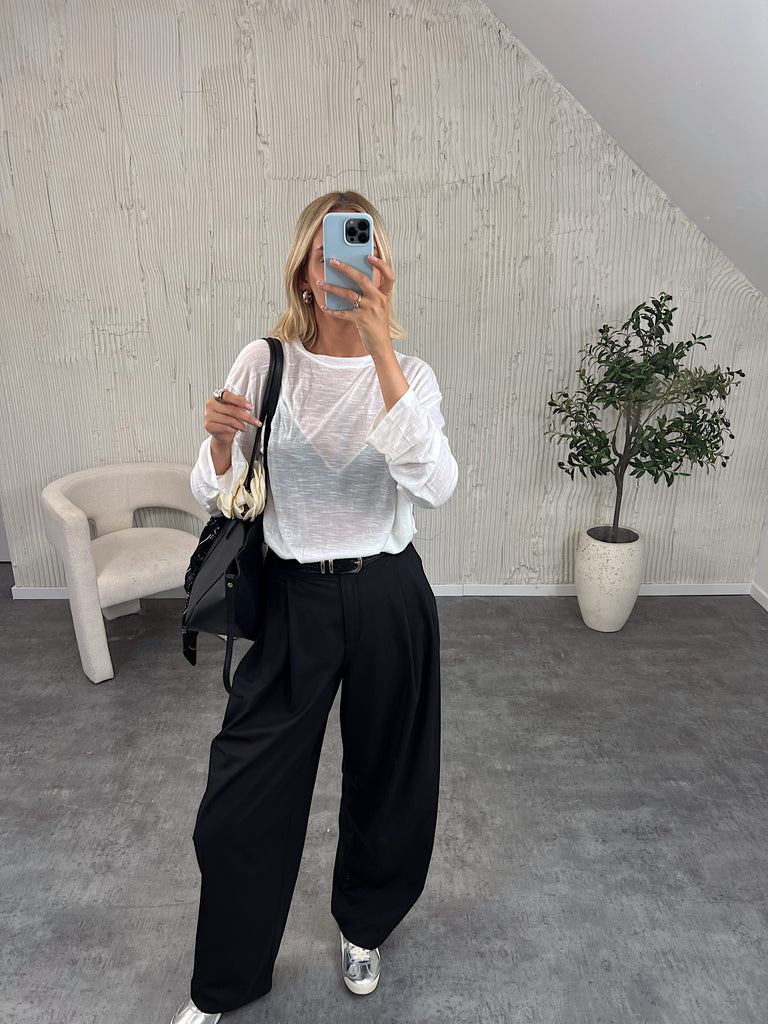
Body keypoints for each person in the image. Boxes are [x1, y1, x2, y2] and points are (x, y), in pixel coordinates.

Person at [170, 191, 458, 1024]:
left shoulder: (412, 376)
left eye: (359, 252)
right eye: (326, 254)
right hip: (295, 597)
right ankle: (223, 983)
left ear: (381, 268)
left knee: (390, 776)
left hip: (389, 594)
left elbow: (436, 485)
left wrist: (382, 347)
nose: (341, 269)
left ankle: (364, 925)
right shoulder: (265, 364)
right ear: (303, 269)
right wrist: (218, 440)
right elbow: (214, 491)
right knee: (243, 799)